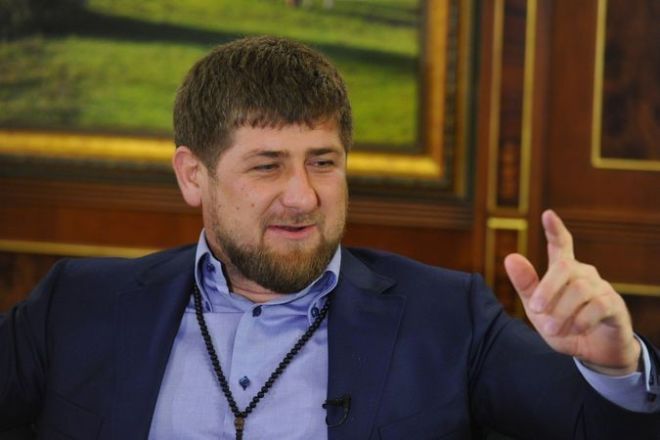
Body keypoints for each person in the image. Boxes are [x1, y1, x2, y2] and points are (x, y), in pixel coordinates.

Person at [0, 36, 658, 440]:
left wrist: (614, 367)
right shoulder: (77, 303)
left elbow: (596, 428)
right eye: (267, 166)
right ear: (193, 175)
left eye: (323, 162)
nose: (303, 197)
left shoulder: (446, 317)